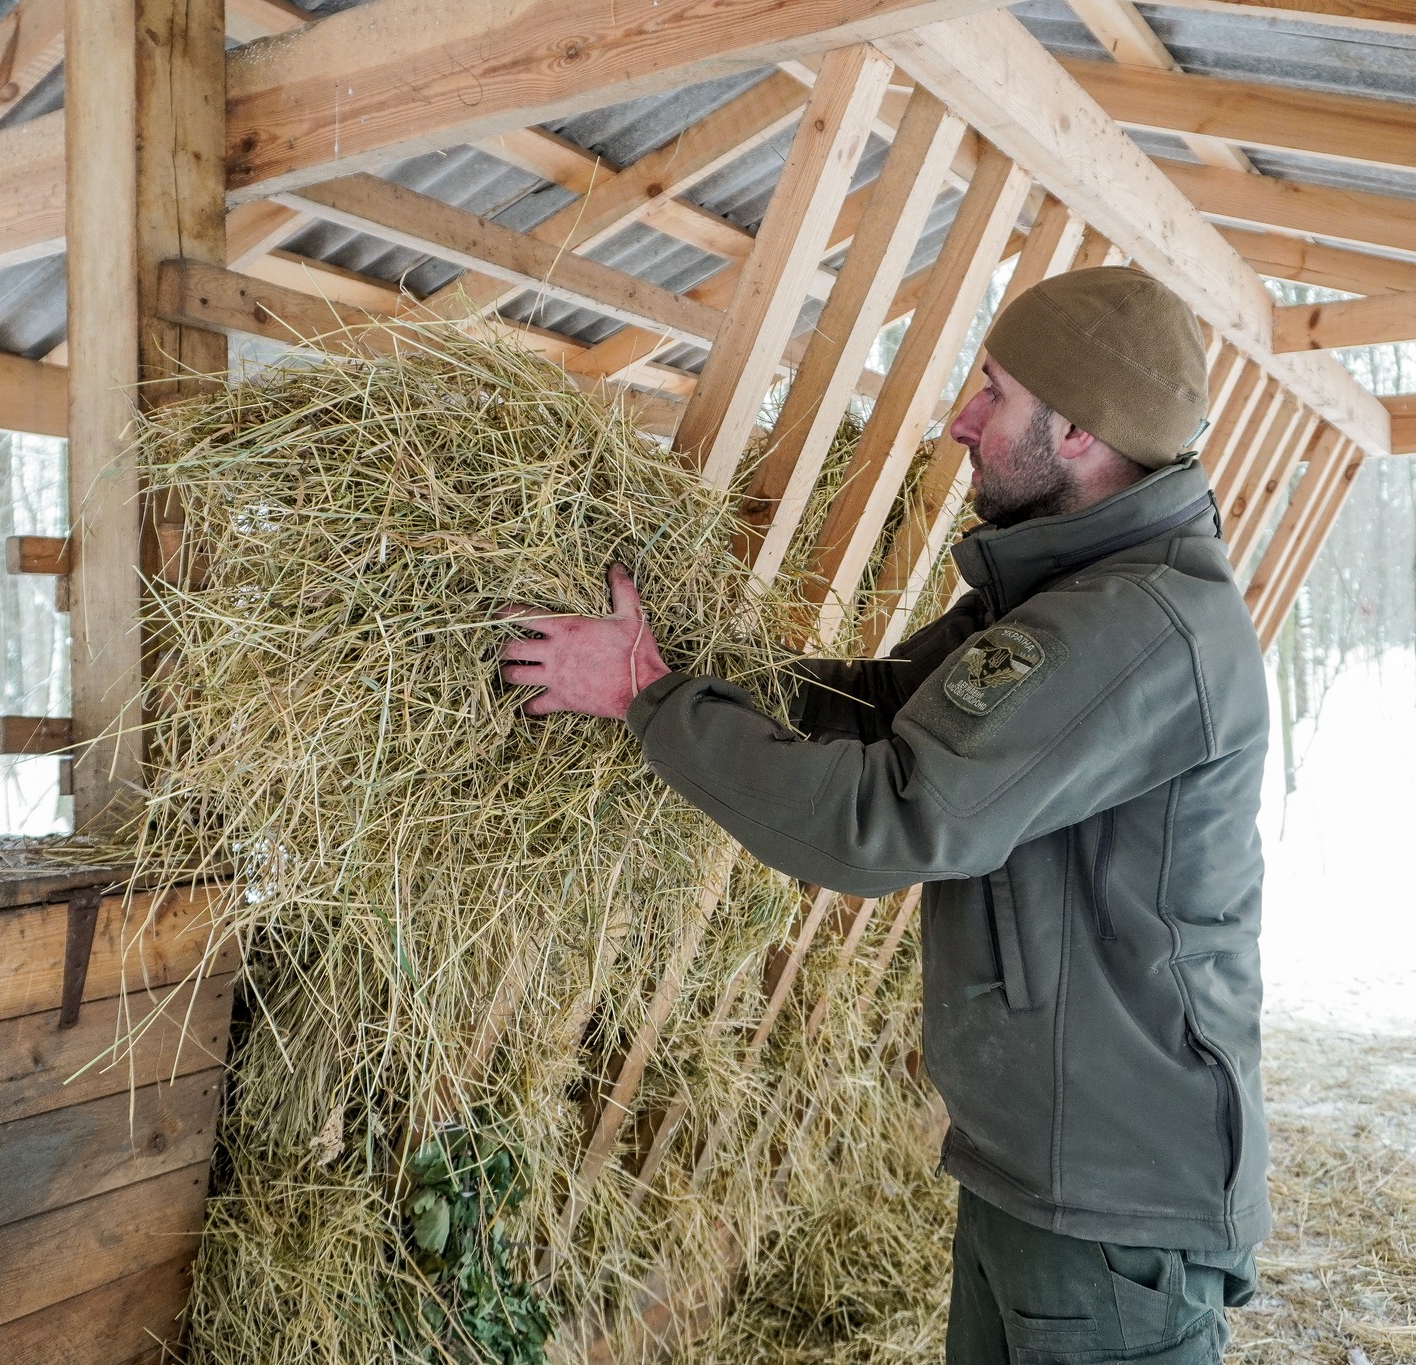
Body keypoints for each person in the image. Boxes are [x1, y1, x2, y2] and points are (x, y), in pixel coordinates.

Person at [499, 266, 1270, 1365]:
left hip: (1113, 1207)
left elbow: (888, 819)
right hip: (1041, 1171)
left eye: (993, 394)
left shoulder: (1135, 629)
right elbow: (877, 716)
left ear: (1083, 434)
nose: (958, 419)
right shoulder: (1067, 597)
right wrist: (696, 671)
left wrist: (649, 700)